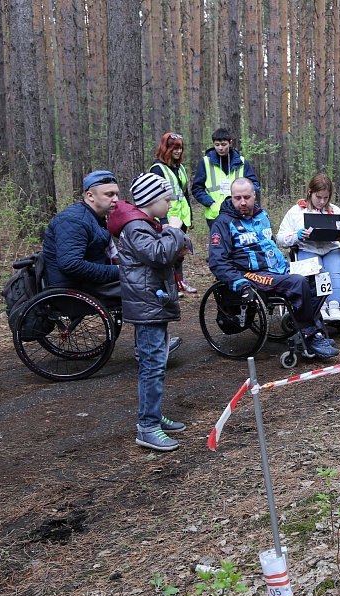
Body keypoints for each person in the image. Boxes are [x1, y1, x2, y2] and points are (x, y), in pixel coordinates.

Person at [208, 178, 338, 359]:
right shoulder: (222, 223)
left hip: (279, 269)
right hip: (251, 274)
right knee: (297, 283)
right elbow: (217, 261)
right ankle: (311, 336)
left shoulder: (262, 216)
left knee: (320, 275)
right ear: (231, 197)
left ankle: (313, 328)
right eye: (237, 198)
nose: (243, 202)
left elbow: (270, 246)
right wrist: (239, 283)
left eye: (246, 197)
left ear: (254, 195)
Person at [107, 173, 190, 452]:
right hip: (147, 306)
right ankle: (147, 426)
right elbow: (158, 254)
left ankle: (153, 415)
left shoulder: (145, 224)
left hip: (154, 303)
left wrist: (176, 242)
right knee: (152, 366)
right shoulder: (136, 227)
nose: (169, 205)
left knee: (156, 362)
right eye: (166, 199)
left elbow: (163, 255)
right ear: (151, 201)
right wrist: (174, 230)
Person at [276, 173, 340, 323]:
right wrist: (296, 236)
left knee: (335, 271)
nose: (322, 202)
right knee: (317, 270)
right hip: (307, 249)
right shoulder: (296, 212)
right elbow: (281, 237)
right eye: (318, 197)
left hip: (332, 249)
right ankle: (321, 306)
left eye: (326, 198)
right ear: (310, 192)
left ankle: (335, 307)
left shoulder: (335, 211)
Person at [41, 170, 121, 298]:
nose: (116, 200)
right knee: (142, 286)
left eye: (117, 194)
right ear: (90, 196)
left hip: (86, 283)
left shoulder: (94, 217)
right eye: (109, 194)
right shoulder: (73, 220)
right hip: (72, 289)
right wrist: (117, 270)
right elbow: (70, 264)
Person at [151, 132, 197, 295]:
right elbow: (155, 198)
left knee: (180, 251)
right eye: (174, 148)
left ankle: (179, 282)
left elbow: (185, 193)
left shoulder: (180, 168)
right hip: (167, 217)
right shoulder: (158, 169)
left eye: (180, 148)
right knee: (169, 253)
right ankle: (168, 285)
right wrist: (163, 220)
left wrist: (190, 215)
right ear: (166, 148)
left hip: (181, 217)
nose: (178, 151)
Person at [191, 128, 260, 225]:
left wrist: (247, 200)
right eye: (217, 145)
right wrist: (211, 203)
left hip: (239, 212)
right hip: (215, 214)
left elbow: (254, 184)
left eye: (223, 144)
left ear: (230, 143)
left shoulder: (242, 162)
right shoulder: (205, 162)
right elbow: (197, 188)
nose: (220, 148)